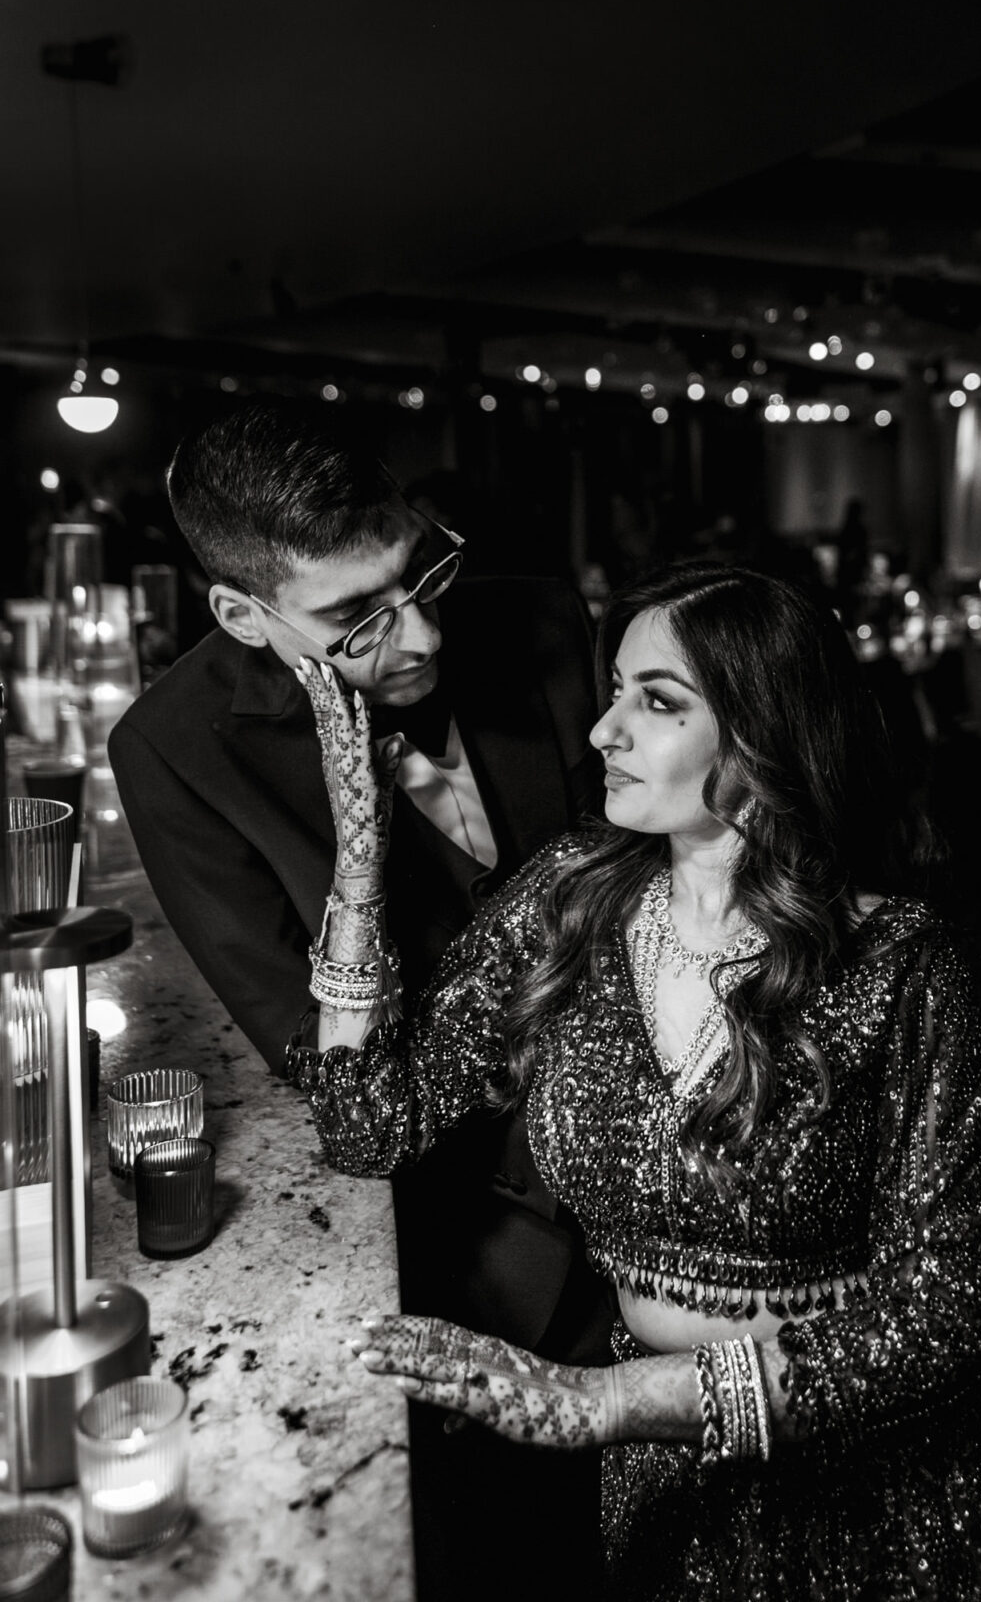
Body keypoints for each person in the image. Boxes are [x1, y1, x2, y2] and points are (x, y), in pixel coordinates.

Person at [290, 561, 981, 1599]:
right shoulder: (569, 903)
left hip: (882, 1494)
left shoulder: (897, 961)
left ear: (763, 733)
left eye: (656, 702)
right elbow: (368, 1129)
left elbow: (946, 1308)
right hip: (670, 1487)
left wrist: (613, 1403)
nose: (601, 731)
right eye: (614, 690)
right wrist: (358, 864)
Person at [107, 400, 613, 1597]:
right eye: (357, 619)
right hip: (468, 1226)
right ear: (242, 615)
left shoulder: (545, 615)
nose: (426, 635)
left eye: (418, 569)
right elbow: (326, 1060)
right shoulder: (173, 754)